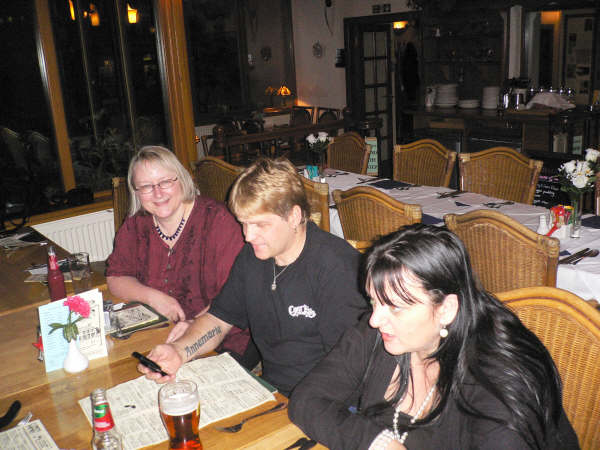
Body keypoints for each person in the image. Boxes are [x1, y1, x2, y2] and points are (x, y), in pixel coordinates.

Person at [289, 224, 579, 449]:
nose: (375, 319)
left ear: (446, 309)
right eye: (374, 301)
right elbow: (306, 399)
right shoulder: (383, 332)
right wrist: (377, 442)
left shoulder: (496, 390)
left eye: (395, 307)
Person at [138, 157, 368, 396]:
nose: (248, 236)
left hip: (323, 400)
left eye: (260, 225)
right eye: (244, 223)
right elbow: (219, 319)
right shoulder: (252, 257)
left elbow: (348, 369)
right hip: (272, 391)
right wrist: (179, 351)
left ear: (293, 216)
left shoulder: (336, 268)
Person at [106, 146, 255, 368]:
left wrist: (194, 326)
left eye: (165, 182)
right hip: (162, 334)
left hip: (222, 339)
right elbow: (116, 278)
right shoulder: (136, 224)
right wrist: (154, 297)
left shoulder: (218, 221)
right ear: (136, 192)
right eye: (146, 186)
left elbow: (234, 295)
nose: (158, 193)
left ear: (182, 180)